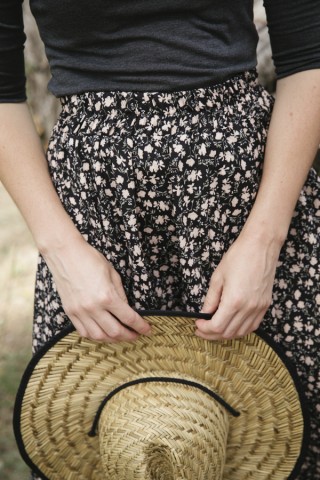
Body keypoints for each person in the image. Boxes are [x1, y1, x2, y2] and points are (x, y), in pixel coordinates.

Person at [0, 0, 319, 478]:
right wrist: (61, 251)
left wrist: (265, 241)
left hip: (245, 200)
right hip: (97, 220)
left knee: (269, 438)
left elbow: (310, 53)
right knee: (127, 444)